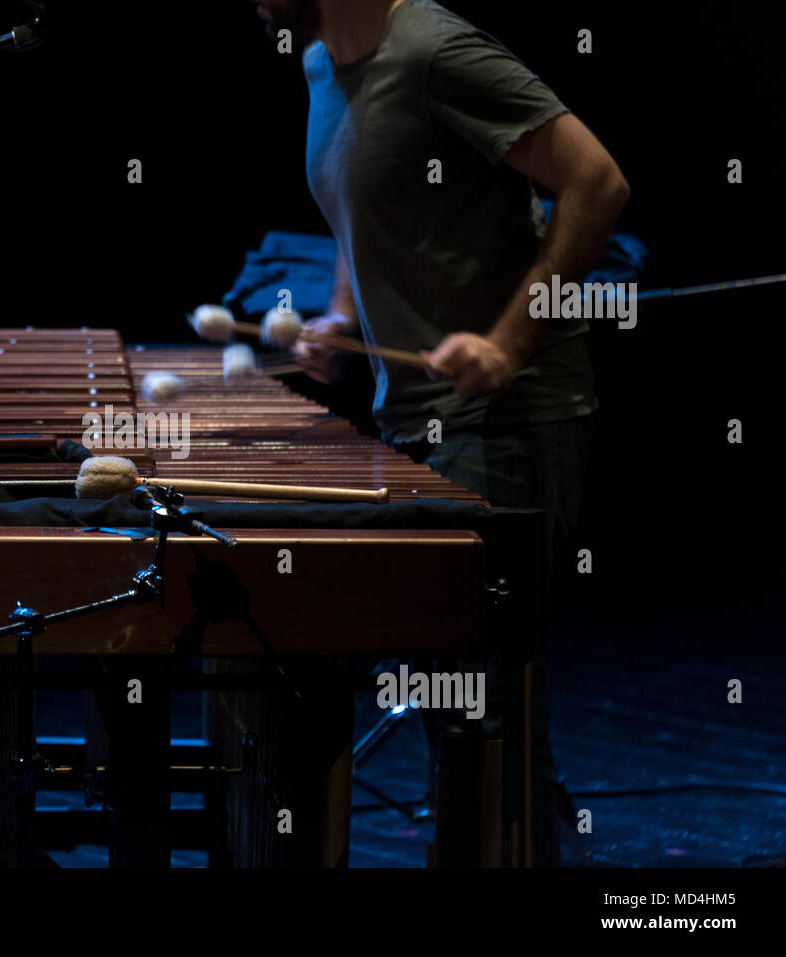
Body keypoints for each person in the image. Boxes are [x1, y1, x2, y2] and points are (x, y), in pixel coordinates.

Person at [257, 0, 630, 865]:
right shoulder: (318, 61)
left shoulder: (432, 50)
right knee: (461, 713)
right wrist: (341, 314)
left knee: (487, 715)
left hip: (511, 417)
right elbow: (360, 203)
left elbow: (597, 181)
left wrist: (508, 342)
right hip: (413, 418)